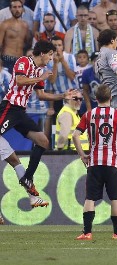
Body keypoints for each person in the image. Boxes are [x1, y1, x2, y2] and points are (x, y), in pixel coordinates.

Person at [0, 40, 75, 205]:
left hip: (20, 112)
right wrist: (38, 77)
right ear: (43, 53)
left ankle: (27, 178)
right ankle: (32, 193)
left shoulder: (41, 70)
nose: (51, 58)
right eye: (50, 54)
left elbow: (41, 95)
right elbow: (19, 81)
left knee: (43, 141)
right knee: (11, 156)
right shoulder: (24, 61)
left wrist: (62, 96)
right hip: (9, 107)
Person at [73, 84, 117, 240]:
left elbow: (75, 135)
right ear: (111, 97)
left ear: (95, 98)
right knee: (115, 198)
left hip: (94, 162)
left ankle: (87, 232)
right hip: (112, 162)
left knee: (90, 198)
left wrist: (82, 155)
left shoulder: (89, 114)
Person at [0, 0, 32, 74]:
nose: (17, 10)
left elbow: (28, 44)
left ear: (22, 9)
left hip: (20, 60)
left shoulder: (25, 25)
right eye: (14, 7)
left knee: (19, 84)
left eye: (19, 7)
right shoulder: (5, 24)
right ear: (10, 9)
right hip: (7, 58)